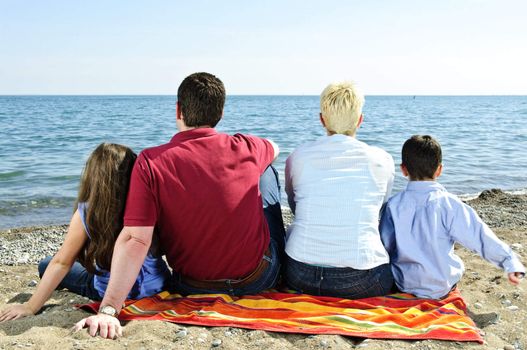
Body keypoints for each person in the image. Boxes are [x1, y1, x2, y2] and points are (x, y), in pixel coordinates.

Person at [73, 72, 286, 339]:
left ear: (178, 110)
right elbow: (275, 147)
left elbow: (135, 240)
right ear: (220, 112)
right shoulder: (246, 146)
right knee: (266, 172)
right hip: (257, 279)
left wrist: (110, 309)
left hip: (193, 286)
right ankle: (288, 266)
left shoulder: (151, 161)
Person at [0, 143, 170, 322]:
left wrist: (30, 306)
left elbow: (62, 263)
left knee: (46, 264)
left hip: (105, 292)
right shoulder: (148, 206)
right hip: (157, 286)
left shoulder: (88, 212)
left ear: (93, 176)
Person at [284, 81, 395, 299]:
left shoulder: (298, 156)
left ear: (322, 119)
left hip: (299, 274)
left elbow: (294, 203)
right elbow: (380, 207)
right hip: (362, 279)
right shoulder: (381, 159)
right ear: (360, 120)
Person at [379, 135, 525, 299]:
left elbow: (385, 245)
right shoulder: (450, 204)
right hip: (441, 287)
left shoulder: (392, 205)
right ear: (439, 170)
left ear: (404, 170)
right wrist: (510, 261)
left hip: (405, 284)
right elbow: (479, 237)